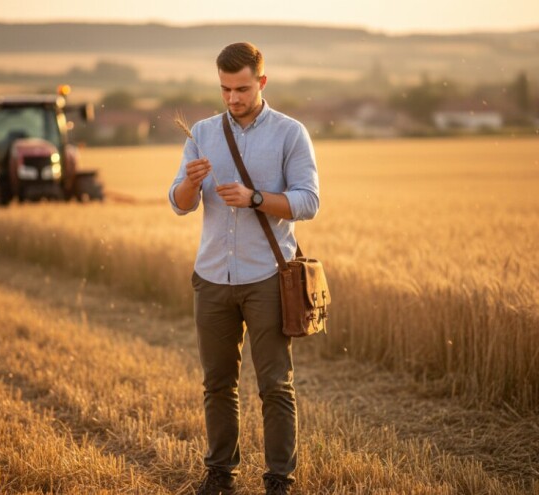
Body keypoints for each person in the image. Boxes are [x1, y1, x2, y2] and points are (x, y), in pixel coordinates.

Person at [168, 42, 319, 495]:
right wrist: (191, 186)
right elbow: (178, 204)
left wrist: (255, 199)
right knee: (217, 384)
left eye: (241, 88)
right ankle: (220, 474)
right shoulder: (201, 132)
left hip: (267, 280)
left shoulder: (291, 134)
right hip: (212, 278)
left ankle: (279, 480)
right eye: (224, 89)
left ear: (262, 82)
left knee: (274, 385)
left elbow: (309, 202)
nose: (232, 98)